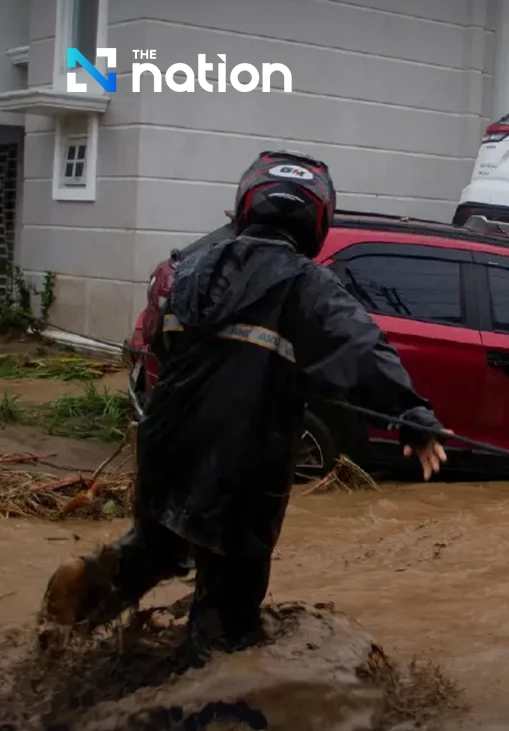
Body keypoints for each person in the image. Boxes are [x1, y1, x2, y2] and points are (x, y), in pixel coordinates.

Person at [40, 150, 448, 664]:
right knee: (230, 609)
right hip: (243, 463)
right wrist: (412, 416)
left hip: (166, 443)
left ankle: (88, 589)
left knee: (156, 546)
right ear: (317, 221)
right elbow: (361, 351)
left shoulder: (191, 269)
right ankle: (204, 700)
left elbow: (163, 350)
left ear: (245, 205)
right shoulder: (308, 284)